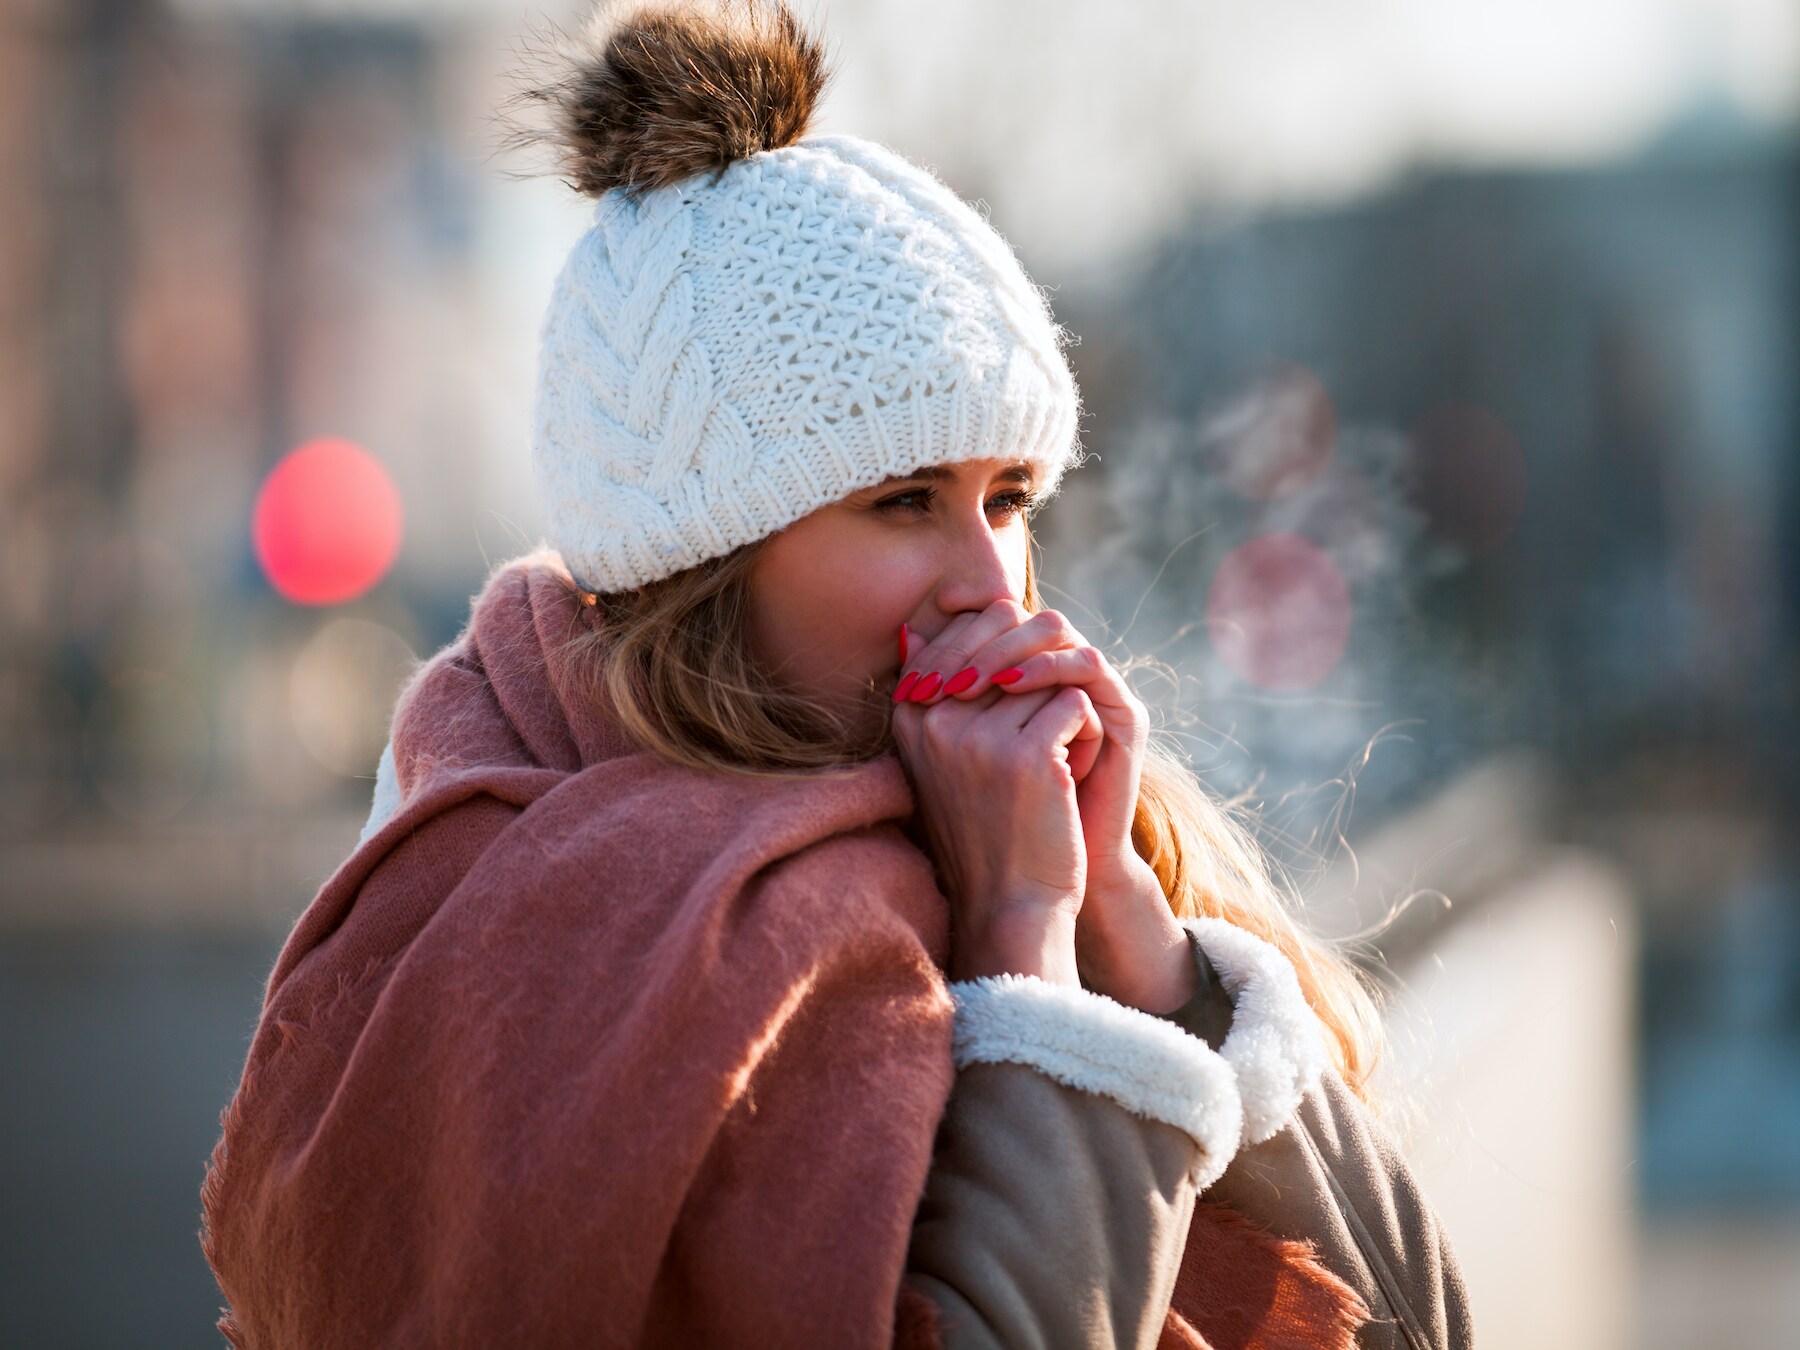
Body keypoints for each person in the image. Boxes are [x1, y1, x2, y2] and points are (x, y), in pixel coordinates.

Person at [200, 2, 1472, 1347]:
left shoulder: (1061, 828)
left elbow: (1422, 1324)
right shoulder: (553, 906)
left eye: (1011, 495)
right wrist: (1022, 953)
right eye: (907, 499)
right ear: (708, 565)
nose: (990, 579)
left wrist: (1138, 938)